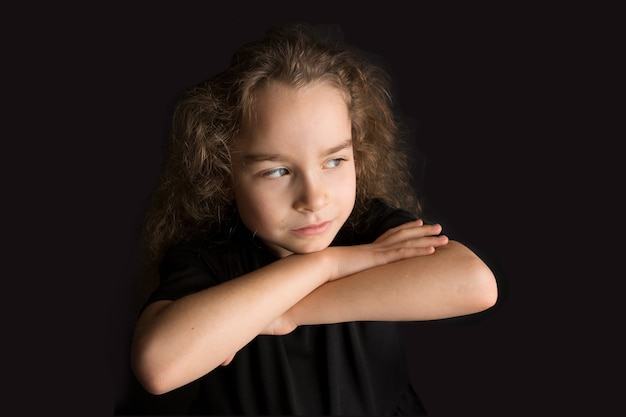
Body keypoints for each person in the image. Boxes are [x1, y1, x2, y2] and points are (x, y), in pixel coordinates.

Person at [129, 22, 498, 415]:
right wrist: (329, 263)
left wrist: (286, 312)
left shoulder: (367, 226)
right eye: (277, 171)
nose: (314, 198)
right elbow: (158, 366)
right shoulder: (208, 257)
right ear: (224, 175)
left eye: (335, 161)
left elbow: (476, 285)